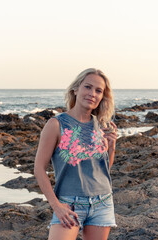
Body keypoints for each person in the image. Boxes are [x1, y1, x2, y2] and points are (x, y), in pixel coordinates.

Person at [34, 68, 117, 240]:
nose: (92, 94)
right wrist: (56, 206)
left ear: (102, 96)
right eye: (88, 87)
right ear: (76, 89)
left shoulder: (102, 125)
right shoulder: (56, 124)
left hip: (102, 202)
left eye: (98, 91)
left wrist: (112, 147)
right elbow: (39, 169)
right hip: (69, 204)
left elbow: (103, 169)